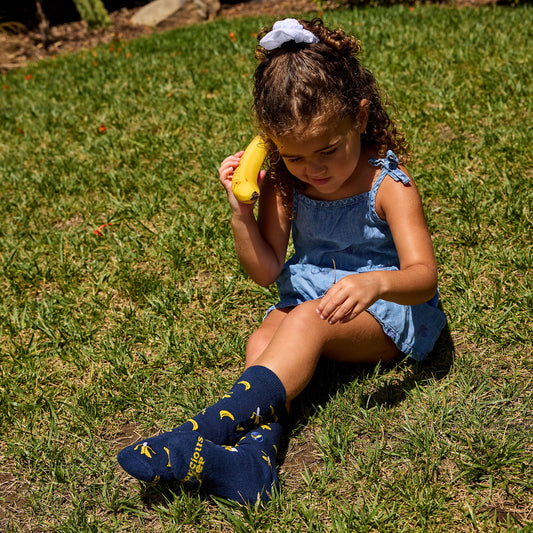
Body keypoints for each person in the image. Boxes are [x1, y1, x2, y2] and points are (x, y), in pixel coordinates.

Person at [117, 17, 447, 504]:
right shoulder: (284, 184)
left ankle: (205, 426)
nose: (313, 168)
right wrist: (240, 211)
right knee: (263, 335)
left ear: (358, 117)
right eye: (293, 156)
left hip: (385, 313)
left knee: (303, 325)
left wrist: (376, 284)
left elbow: (423, 278)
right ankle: (253, 464)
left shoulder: (389, 184)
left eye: (328, 150)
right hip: (311, 301)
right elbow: (267, 271)